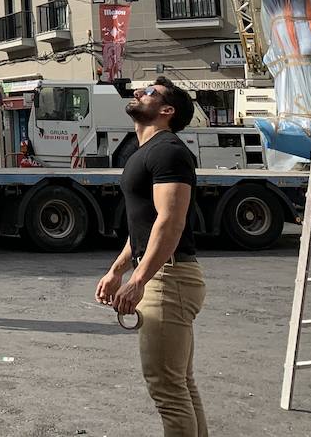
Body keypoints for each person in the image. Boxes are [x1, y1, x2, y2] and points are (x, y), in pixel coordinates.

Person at [96, 76, 207, 437]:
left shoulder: (169, 151)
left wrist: (139, 279)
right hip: (167, 275)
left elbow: (170, 222)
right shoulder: (145, 151)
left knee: (167, 389)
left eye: (150, 93)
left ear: (166, 110)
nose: (139, 93)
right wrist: (117, 270)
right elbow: (144, 226)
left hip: (170, 279)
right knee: (180, 383)